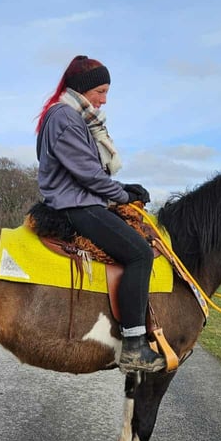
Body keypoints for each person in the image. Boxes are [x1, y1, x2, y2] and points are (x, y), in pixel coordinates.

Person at [35, 55, 166, 374]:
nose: (104, 100)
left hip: (80, 199)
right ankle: (133, 347)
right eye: (100, 92)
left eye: (106, 93)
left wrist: (122, 188)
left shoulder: (68, 116)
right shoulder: (66, 118)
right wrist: (124, 194)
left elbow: (88, 172)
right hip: (75, 206)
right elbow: (89, 175)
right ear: (82, 89)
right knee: (139, 254)